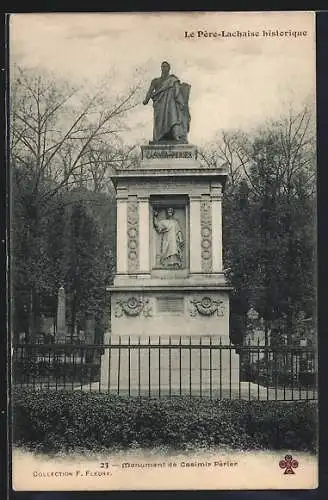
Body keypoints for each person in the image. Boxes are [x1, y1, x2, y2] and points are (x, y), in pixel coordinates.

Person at [143, 61, 191, 143]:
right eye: (162, 66)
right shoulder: (156, 81)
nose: (163, 68)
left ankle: (175, 136)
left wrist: (181, 102)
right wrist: (146, 100)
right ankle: (158, 139)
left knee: (172, 118)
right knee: (159, 122)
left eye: (165, 66)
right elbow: (150, 91)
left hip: (170, 105)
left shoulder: (173, 80)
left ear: (169, 68)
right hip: (159, 105)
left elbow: (178, 92)